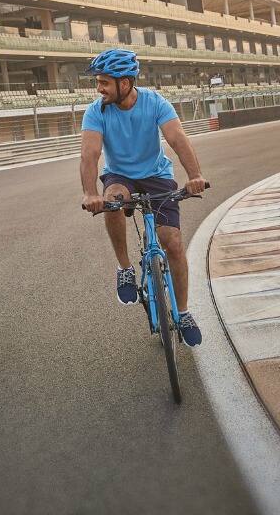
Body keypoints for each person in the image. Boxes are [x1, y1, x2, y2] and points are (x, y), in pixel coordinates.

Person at [79, 49, 208, 347]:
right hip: (120, 175)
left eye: (104, 82)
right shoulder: (96, 111)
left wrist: (195, 176)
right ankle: (125, 269)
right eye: (98, 82)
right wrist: (90, 193)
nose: (99, 88)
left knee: (172, 242)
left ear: (125, 83)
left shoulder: (155, 102)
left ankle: (184, 312)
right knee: (112, 199)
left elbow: (177, 139)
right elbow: (90, 154)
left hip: (156, 174)